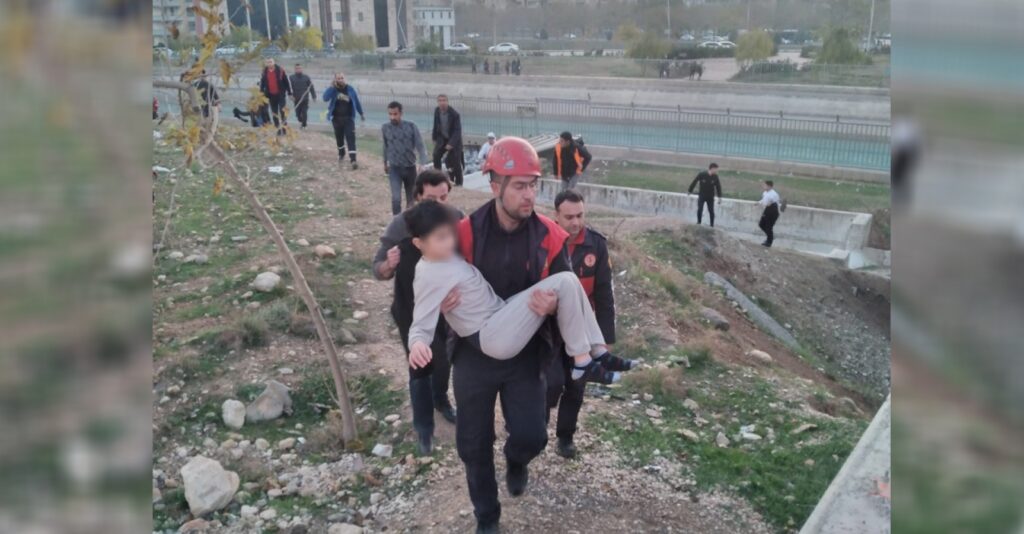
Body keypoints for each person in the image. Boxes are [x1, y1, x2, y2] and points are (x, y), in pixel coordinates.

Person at [448, 136, 572, 534]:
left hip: (524, 355)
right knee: (472, 445)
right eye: (519, 185)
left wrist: (554, 307)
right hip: (474, 355)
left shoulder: (550, 237)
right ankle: (488, 516)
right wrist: (443, 298)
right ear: (495, 185)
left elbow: (568, 291)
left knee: (533, 435)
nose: (529, 194)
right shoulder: (463, 235)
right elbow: (432, 282)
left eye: (533, 184)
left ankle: (517, 459)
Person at [406, 201, 629, 384]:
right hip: (491, 335)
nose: (450, 242)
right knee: (565, 281)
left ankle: (598, 351)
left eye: (449, 235)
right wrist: (417, 343)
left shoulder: (443, 258)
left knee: (568, 281)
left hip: (500, 316)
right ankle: (582, 362)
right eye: (440, 238)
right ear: (418, 243)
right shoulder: (427, 274)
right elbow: (420, 320)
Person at [372, 170, 459, 455]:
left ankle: (441, 400)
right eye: (432, 198)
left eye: (443, 197)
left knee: (444, 361)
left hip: (446, 313)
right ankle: (424, 428)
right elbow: (378, 269)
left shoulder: (457, 219)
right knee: (420, 367)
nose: (439, 204)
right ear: (417, 196)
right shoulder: (401, 225)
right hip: (411, 312)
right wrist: (389, 264)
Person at [547, 189, 628, 459]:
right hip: (548, 329)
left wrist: (602, 339)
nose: (575, 222)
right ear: (556, 216)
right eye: (568, 217)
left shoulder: (596, 245)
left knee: (576, 385)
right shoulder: (544, 241)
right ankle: (533, 425)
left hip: (582, 328)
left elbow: (604, 294)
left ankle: (565, 437)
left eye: (580, 215)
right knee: (550, 383)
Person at [382, 101, 429, 215]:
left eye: (395, 114)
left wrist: (422, 164)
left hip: (410, 169)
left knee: (411, 201)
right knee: (396, 199)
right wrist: (385, 163)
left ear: (401, 113)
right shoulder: (385, 128)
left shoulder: (411, 127)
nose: (392, 117)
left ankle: (409, 226)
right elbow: (385, 146)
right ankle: (396, 224)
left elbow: (421, 146)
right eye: (390, 114)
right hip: (395, 169)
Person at [322, 72, 365, 169]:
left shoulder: (350, 89)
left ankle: (353, 160)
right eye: (338, 78)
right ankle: (341, 153)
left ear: (344, 78)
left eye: (342, 78)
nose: (340, 80)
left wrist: (361, 113)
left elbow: (356, 102)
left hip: (348, 119)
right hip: (336, 119)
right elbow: (325, 98)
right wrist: (331, 87)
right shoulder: (333, 90)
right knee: (339, 138)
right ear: (335, 79)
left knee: (351, 138)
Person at [431, 94, 464, 187]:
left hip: (454, 141)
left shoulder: (454, 114)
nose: (442, 102)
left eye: (444, 100)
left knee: (456, 161)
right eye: (440, 100)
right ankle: (437, 178)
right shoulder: (437, 111)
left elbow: (458, 131)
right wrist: (434, 137)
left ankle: (459, 183)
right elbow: (435, 124)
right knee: (436, 155)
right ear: (438, 102)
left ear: (447, 101)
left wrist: (451, 143)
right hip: (442, 139)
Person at [259, 58, 292, 135]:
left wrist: (290, 93)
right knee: (274, 113)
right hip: (271, 95)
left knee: (282, 111)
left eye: (270, 62)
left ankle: (284, 129)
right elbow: (262, 83)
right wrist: (261, 93)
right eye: (268, 62)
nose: (269, 63)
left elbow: (286, 82)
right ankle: (278, 129)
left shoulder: (280, 70)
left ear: (274, 63)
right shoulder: (265, 72)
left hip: (280, 95)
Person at [687, 162, 723, 227]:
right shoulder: (702, 174)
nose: (716, 171)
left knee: (711, 211)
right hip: (702, 195)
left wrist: (719, 197)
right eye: (716, 169)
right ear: (712, 168)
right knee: (700, 209)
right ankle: (699, 223)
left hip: (710, 197)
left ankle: (712, 225)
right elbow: (694, 181)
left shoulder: (715, 177)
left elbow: (718, 187)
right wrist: (690, 190)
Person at [288, 63, 316, 129]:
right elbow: (288, 87)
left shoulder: (306, 77)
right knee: (297, 114)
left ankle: (304, 125)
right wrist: (290, 95)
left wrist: (314, 96)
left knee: (304, 112)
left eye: (299, 68)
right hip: (296, 99)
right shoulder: (291, 77)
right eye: (297, 68)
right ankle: (301, 122)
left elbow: (311, 87)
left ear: (302, 69)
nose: (298, 69)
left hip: (305, 99)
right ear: (294, 69)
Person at [758, 180, 782, 247]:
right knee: (761, 224)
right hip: (767, 210)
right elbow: (763, 200)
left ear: (769, 186)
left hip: (772, 211)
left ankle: (769, 242)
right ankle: (771, 237)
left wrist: (769, 204)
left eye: (765, 185)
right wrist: (758, 203)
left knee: (769, 227)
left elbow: (775, 202)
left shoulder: (774, 194)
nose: (763, 186)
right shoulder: (765, 193)